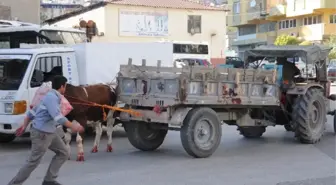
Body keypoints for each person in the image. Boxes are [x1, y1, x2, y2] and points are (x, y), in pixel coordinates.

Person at [8, 75, 84, 185]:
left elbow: (32, 113)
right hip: (42, 133)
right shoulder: (51, 98)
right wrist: (74, 126)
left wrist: (24, 126)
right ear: (62, 86)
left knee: (63, 152)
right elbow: (58, 117)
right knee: (33, 162)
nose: (65, 88)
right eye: (65, 86)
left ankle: (49, 180)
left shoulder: (48, 95)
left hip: (50, 132)